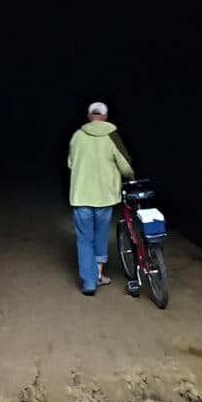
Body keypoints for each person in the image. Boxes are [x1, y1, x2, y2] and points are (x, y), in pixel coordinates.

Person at [66, 101, 135, 296]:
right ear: (105, 117)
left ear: (89, 117)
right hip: (104, 198)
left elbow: (71, 162)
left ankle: (89, 283)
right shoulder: (112, 137)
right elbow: (125, 166)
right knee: (100, 235)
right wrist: (130, 176)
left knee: (84, 239)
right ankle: (98, 274)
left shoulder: (77, 136)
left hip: (81, 197)